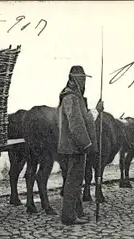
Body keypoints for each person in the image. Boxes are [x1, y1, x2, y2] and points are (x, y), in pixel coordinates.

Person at [57, 65, 104, 225]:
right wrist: (86, 145)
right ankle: (69, 216)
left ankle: (77, 212)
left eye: (84, 79)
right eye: (81, 79)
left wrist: (96, 111)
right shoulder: (71, 98)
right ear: (74, 79)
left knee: (74, 180)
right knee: (73, 181)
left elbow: (84, 119)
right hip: (74, 147)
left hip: (72, 146)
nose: (84, 82)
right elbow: (76, 125)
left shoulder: (73, 97)